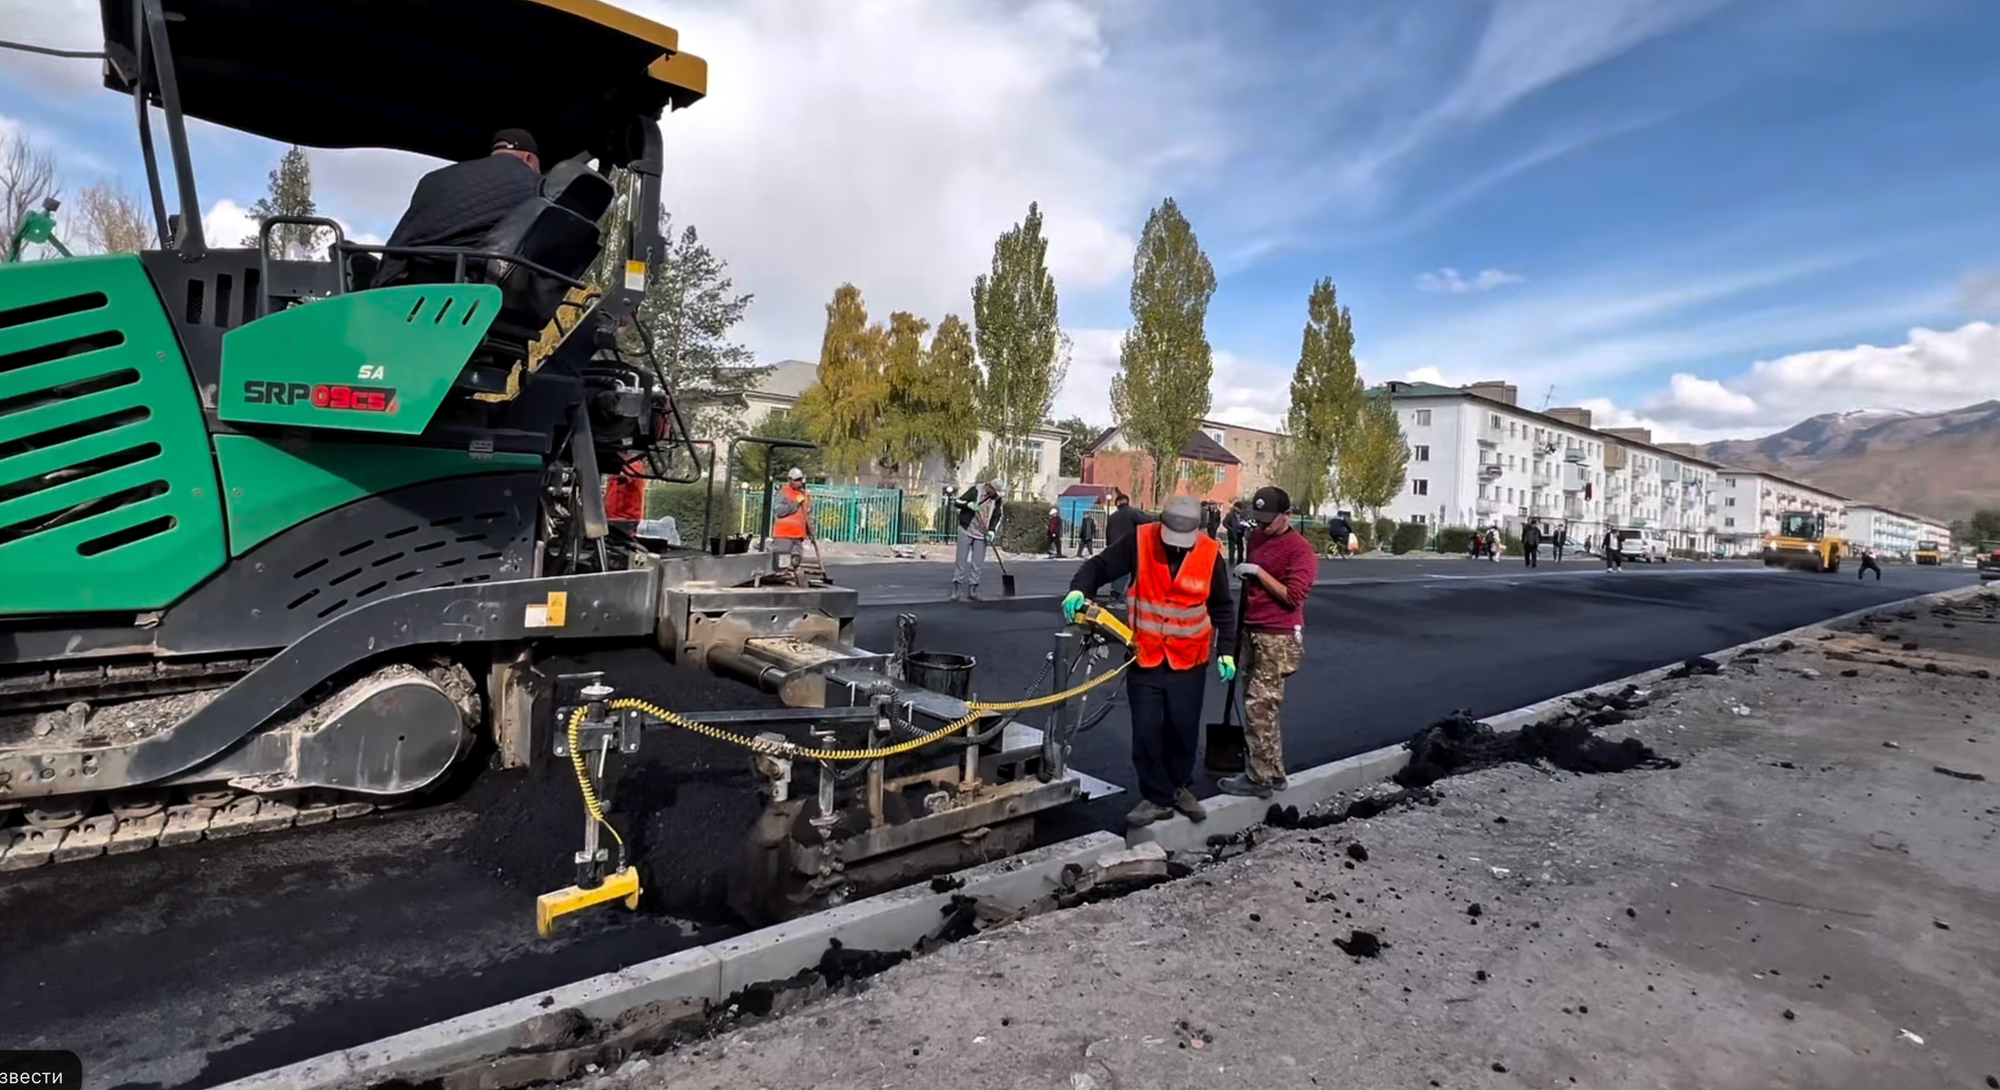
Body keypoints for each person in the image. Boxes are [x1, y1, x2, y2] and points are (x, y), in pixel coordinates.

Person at [1065, 496, 1235, 829]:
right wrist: (1079, 590)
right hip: (1146, 656)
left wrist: (1226, 650)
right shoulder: (1140, 541)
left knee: (1182, 730)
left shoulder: (1209, 553)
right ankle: (1157, 797)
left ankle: (1178, 786)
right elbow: (1100, 566)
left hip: (1189, 660)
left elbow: (1222, 606)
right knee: (1147, 731)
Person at [1217, 487, 1315, 800]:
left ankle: (1259, 778)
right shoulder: (1256, 538)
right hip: (1252, 628)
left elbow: (1293, 596)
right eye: (1258, 520)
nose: (1261, 526)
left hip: (1278, 636)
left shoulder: (1300, 551)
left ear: (1287, 516)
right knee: (1261, 705)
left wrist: (1259, 573)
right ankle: (1274, 772)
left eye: (1268, 520)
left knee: (1259, 704)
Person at [372, 129, 544, 288]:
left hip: (406, 274)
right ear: (528, 158)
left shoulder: (433, 178)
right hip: (463, 282)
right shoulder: (533, 184)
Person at [951, 482, 1003, 601]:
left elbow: (997, 515)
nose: (995, 495)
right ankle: (956, 589)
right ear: (990, 487)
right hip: (966, 529)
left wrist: (992, 530)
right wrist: (968, 505)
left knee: (977, 563)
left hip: (982, 534)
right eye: (995, 492)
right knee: (961, 560)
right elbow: (957, 502)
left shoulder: (997, 499)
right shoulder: (975, 490)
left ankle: (973, 590)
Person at [1103, 490, 1151, 605]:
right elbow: (1147, 521)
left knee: (1118, 571)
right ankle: (1120, 596)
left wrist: (1109, 546)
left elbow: (1108, 533)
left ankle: (1115, 595)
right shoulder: (1133, 513)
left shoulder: (1112, 517)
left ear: (1118, 503)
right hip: (1129, 547)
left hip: (1114, 548)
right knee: (1129, 572)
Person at [771, 468, 815, 587]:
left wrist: (811, 530)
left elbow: (808, 514)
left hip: (798, 535)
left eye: (800, 480)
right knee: (782, 562)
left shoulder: (805, 495)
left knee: (796, 561)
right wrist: (795, 503)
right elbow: (779, 511)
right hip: (784, 535)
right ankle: (779, 583)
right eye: (796, 480)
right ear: (790, 480)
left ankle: (794, 581)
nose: (799, 482)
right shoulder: (784, 492)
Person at [1224, 502, 1248, 566]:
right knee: (1232, 549)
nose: (1239, 510)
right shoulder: (1230, 515)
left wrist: (1244, 527)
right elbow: (1224, 523)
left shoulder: (1242, 515)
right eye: (1238, 508)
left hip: (1240, 533)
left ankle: (1240, 561)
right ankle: (1231, 562)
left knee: (1240, 548)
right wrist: (1230, 529)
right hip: (1232, 534)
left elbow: (1244, 521)